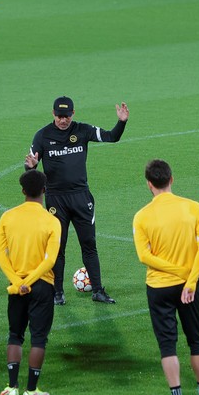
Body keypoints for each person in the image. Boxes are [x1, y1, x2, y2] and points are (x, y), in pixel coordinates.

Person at [25, 96, 128, 306]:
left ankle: (98, 290)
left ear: (73, 114)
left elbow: (111, 137)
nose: (63, 120)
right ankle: (57, 293)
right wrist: (32, 165)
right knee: (58, 247)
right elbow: (29, 168)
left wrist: (121, 122)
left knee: (89, 244)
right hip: (56, 200)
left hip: (81, 197)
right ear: (53, 114)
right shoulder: (42, 135)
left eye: (67, 116)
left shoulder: (82, 130)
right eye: (60, 116)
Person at [133, 159, 199, 395]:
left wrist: (173, 270)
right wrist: (189, 278)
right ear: (172, 179)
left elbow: (144, 257)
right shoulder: (192, 208)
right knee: (197, 340)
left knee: (168, 345)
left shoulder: (142, 216)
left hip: (159, 287)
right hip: (188, 286)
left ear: (149, 184)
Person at [0, 170, 61, 395]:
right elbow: (50, 260)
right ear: (44, 190)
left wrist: (18, 282)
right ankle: (31, 390)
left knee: (15, 334)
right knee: (39, 338)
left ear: (23, 191)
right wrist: (30, 282)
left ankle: (12, 387)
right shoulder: (52, 221)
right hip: (42, 285)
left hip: (16, 287)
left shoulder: (8, 217)